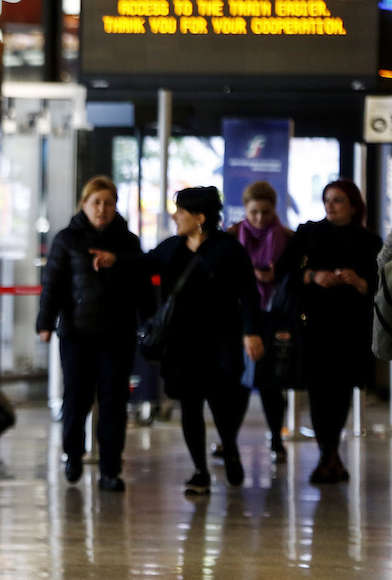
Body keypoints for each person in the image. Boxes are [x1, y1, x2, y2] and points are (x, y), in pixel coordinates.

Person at [93, 186, 263, 495]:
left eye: (180, 212)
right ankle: (200, 471)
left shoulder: (228, 249)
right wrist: (114, 259)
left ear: (200, 218)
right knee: (190, 405)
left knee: (223, 403)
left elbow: (248, 292)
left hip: (221, 340)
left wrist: (251, 333)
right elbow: (143, 263)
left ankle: (230, 448)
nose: (175, 217)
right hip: (183, 341)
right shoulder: (172, 247)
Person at [36, 176, 153, 493]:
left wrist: (150, 323)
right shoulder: (66, 239)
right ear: (84, 205)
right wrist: (45, 323)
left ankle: (110, 469)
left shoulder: (128, 242)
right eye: (96, 202)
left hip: (118, 334)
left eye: (108, 203)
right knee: (77, 398)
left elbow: (142, 285)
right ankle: (73, 454)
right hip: (77, 334)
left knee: (114, 401)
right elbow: (53, 284)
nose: (102, 209)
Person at [275, 180, 381, 484]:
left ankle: (331, 452)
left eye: (338, 200)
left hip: (351, 327)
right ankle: (328, 453)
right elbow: (283, 271)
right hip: (314, 325)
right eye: (327, 200)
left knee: (342, 389)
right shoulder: (310, 233)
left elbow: (380, 284)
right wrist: (313, 276)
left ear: (353, 206)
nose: (330, 206)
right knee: (320, 390)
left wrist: (360, 282)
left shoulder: (369, 241)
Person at [225, 181, 293, 463]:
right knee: (237, 382)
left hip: (273, 315)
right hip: (239, 316)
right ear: (245, 210)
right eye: (254, 212)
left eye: (266, 212)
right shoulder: (232, 236)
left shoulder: (286, 238)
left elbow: (295, 276)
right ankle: (228, 441)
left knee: (269, 382)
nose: (260, 218)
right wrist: (250, 275)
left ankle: (276, 438)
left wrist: (277, 276)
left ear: (274, 209)